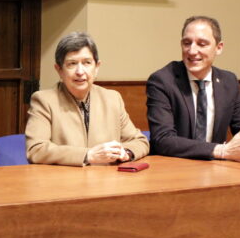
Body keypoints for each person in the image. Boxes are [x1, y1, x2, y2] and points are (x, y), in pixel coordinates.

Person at [146, 15, 240, 161]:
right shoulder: (162, 81)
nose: (192, 51)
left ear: (219, 48)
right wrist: (221, 150)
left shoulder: (228, 81)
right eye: (187, 43)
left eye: (202, 44)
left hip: (215, 169)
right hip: (174, 167)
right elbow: (162, 140)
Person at [26, 32, 149, 166]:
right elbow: (36, 150)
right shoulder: (44, 100)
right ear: (59, 70)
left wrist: (126, 152)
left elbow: (139, 141)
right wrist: (87, 155)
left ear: (97, 67)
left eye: (87, 63)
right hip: (63, 182)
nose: (80, 71)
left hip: (107, 182)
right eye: (72, 64)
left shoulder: (112, 98)